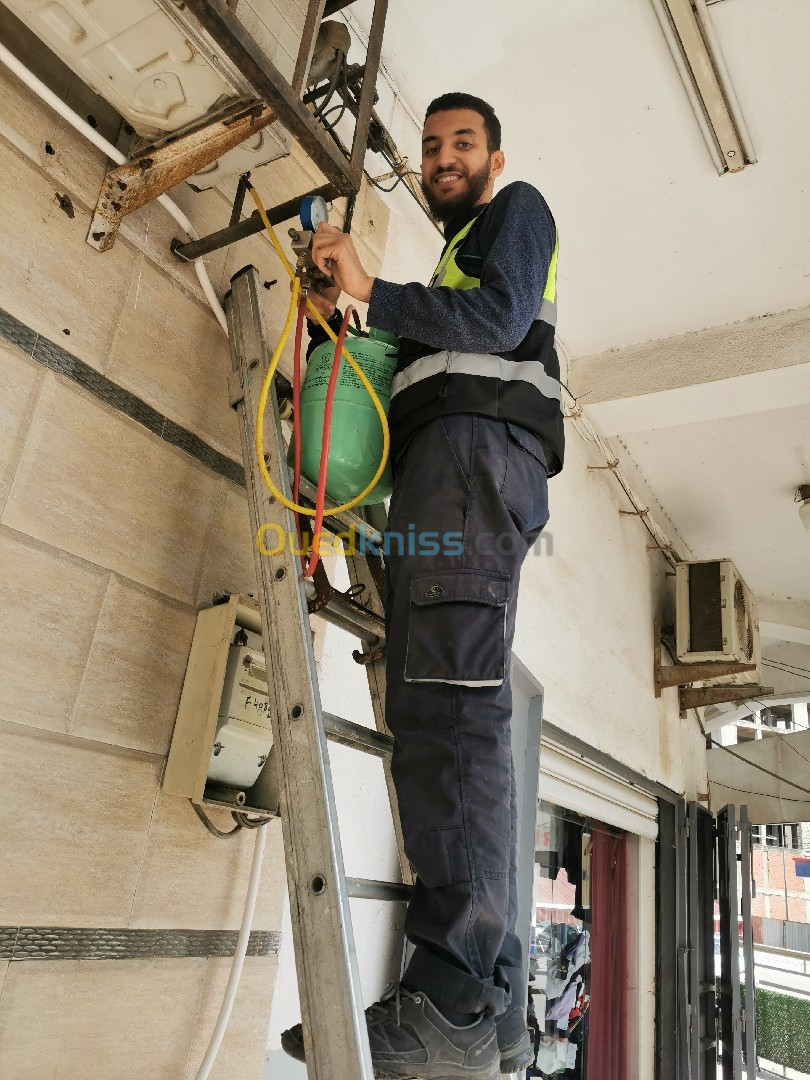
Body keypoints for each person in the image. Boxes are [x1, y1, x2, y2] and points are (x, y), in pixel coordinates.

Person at [282, 91, 564, 1080]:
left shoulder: (516, 214)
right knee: (451, 706)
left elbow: (499, 317)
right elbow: (443, 334)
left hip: (475, 463)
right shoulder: (452, 263)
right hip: (456, 472)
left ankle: (451, 997)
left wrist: (377, 288)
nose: (444, 156)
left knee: (448, 711)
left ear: (494, 158)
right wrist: (351, 313)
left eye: (463, 143)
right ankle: (489, 1016)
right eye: (433, 144)